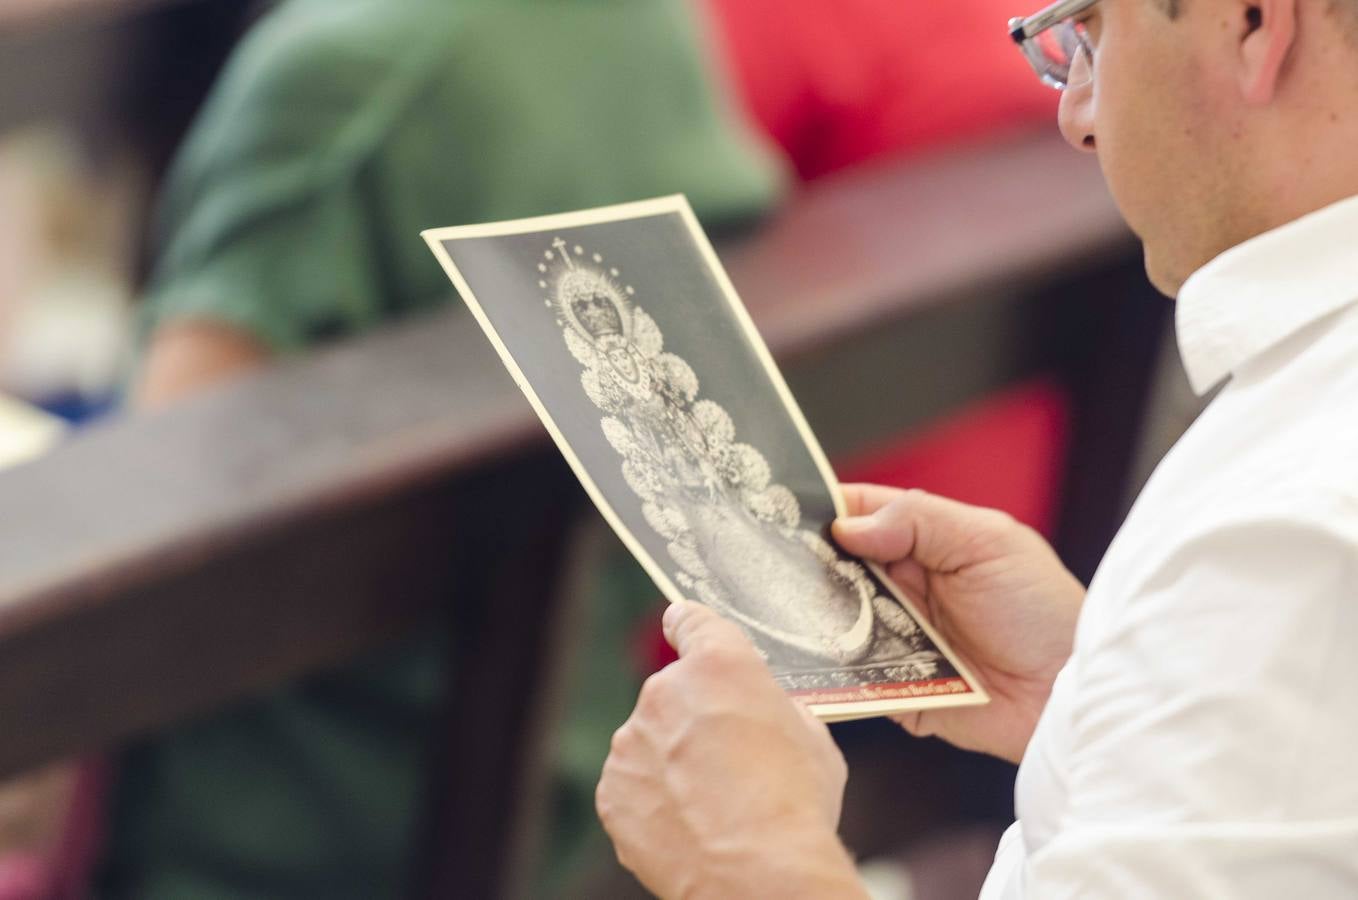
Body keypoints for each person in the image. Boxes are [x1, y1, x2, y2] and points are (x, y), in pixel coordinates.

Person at [595, 0, 1358, 896]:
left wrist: (747, 862)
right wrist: (1091, 696)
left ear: (1252, 24)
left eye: (1094, 31)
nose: (1077, 117)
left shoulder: (1288, 538)